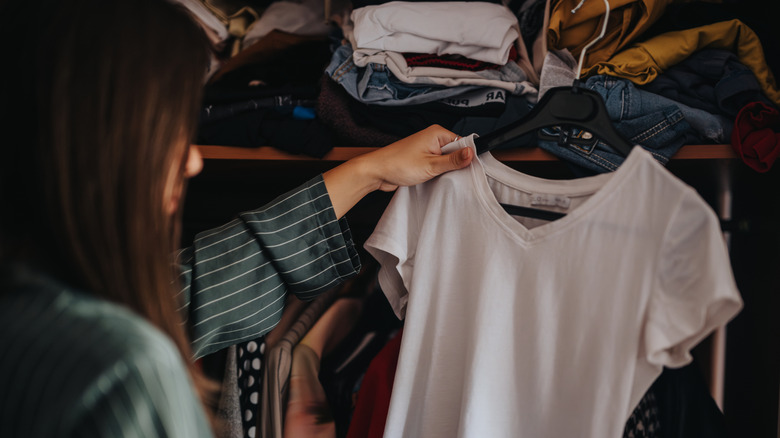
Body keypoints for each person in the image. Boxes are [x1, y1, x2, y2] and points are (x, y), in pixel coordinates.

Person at [0, 0, 473, 436]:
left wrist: (370, 171)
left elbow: (197, 288)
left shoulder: (35, 307)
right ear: (96, 149)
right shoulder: (124, 371)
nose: (191, 163)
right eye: (167, 134)